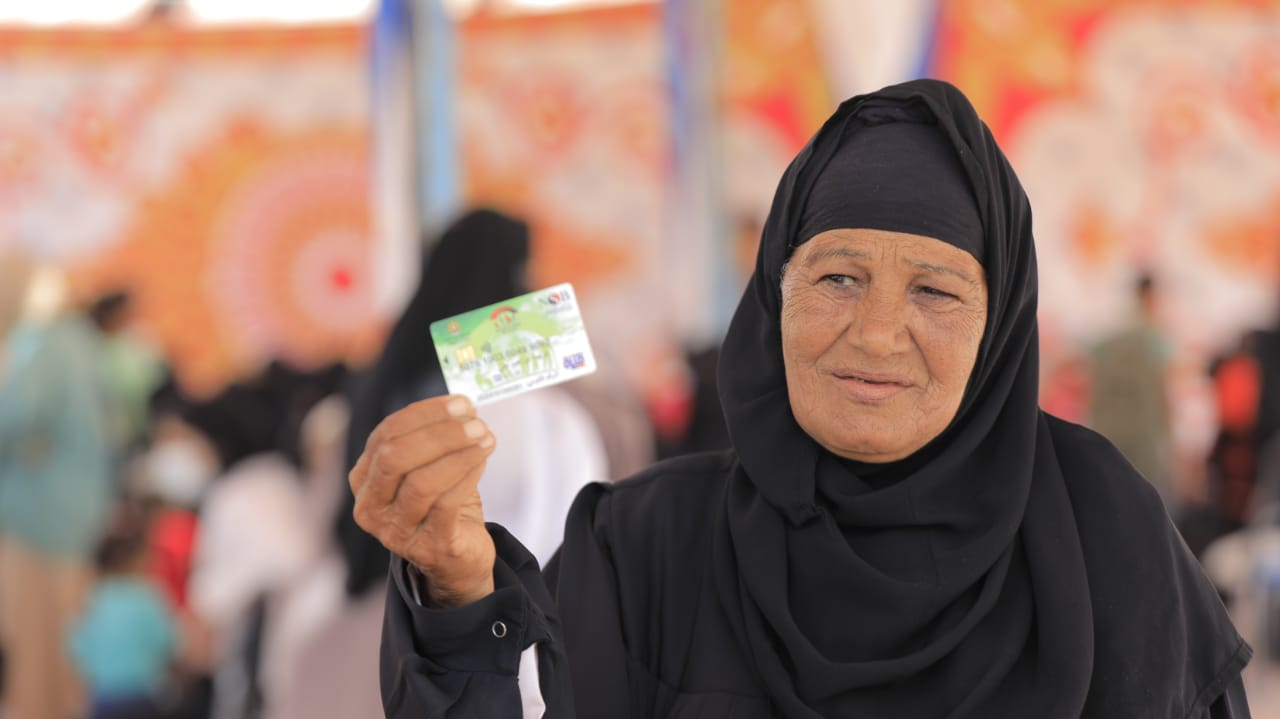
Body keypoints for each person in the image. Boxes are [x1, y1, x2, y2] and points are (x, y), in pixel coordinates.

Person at [351, 80, 1252, 717]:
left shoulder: (1103, 534)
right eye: (838, 278)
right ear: (775, 295)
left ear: (999, 325)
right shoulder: (647, 546)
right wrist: (460, 598)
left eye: (935, 291)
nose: (876, 335)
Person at [336, 208, 608, 595]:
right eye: (527, 270)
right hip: (482, 590)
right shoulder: (533, 410)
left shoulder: (397, 361)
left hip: (390, 584)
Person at [69, 505, 179, 719]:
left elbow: (77, 647)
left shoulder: (95, 598)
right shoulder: (149, 596)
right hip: (143, 695)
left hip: (103, 696)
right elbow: (169, 642)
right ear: (140, 559)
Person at [1088, 273, 1174, 505]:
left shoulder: (1113, 337)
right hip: (1144, 437)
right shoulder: (1155, 339)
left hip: (1110, 432)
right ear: (1152, 296)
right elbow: (1164, 395)